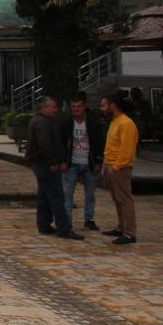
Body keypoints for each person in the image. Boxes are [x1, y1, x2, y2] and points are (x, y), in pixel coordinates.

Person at [25, 96, 83, 240]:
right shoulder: (43, 123)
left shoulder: (41, 121)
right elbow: (45, 145)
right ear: (44, 108)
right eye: (53, 107)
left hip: (41, 163)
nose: (56, 110)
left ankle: (44, 224)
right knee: (56, 195)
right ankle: (64, 228)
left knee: (44, 195)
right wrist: (53, 162)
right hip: (45, 164)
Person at [61, 92, 105, 231]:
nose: (76, 109)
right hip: (71, 162)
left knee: (90, 193)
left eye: (79, 106)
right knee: (68, 193)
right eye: (73, 106)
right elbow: (61, 143)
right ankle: (67, 220)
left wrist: (98, 162)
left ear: (85, 106)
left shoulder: (94, 124)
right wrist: (62, 160)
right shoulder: (66, 123)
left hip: (89, 162)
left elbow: (99, 143)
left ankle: (89, 218)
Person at [102, 93, 140, 245]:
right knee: (117, 199)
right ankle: (121, 226)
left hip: (120, 167)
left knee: (125, 199)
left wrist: (117, 166)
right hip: (110, 165)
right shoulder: (115, 122)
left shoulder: (126, 123)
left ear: (113, 106)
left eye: (104, 105)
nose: (102, 108)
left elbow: (127, 149)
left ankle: (130, 232)